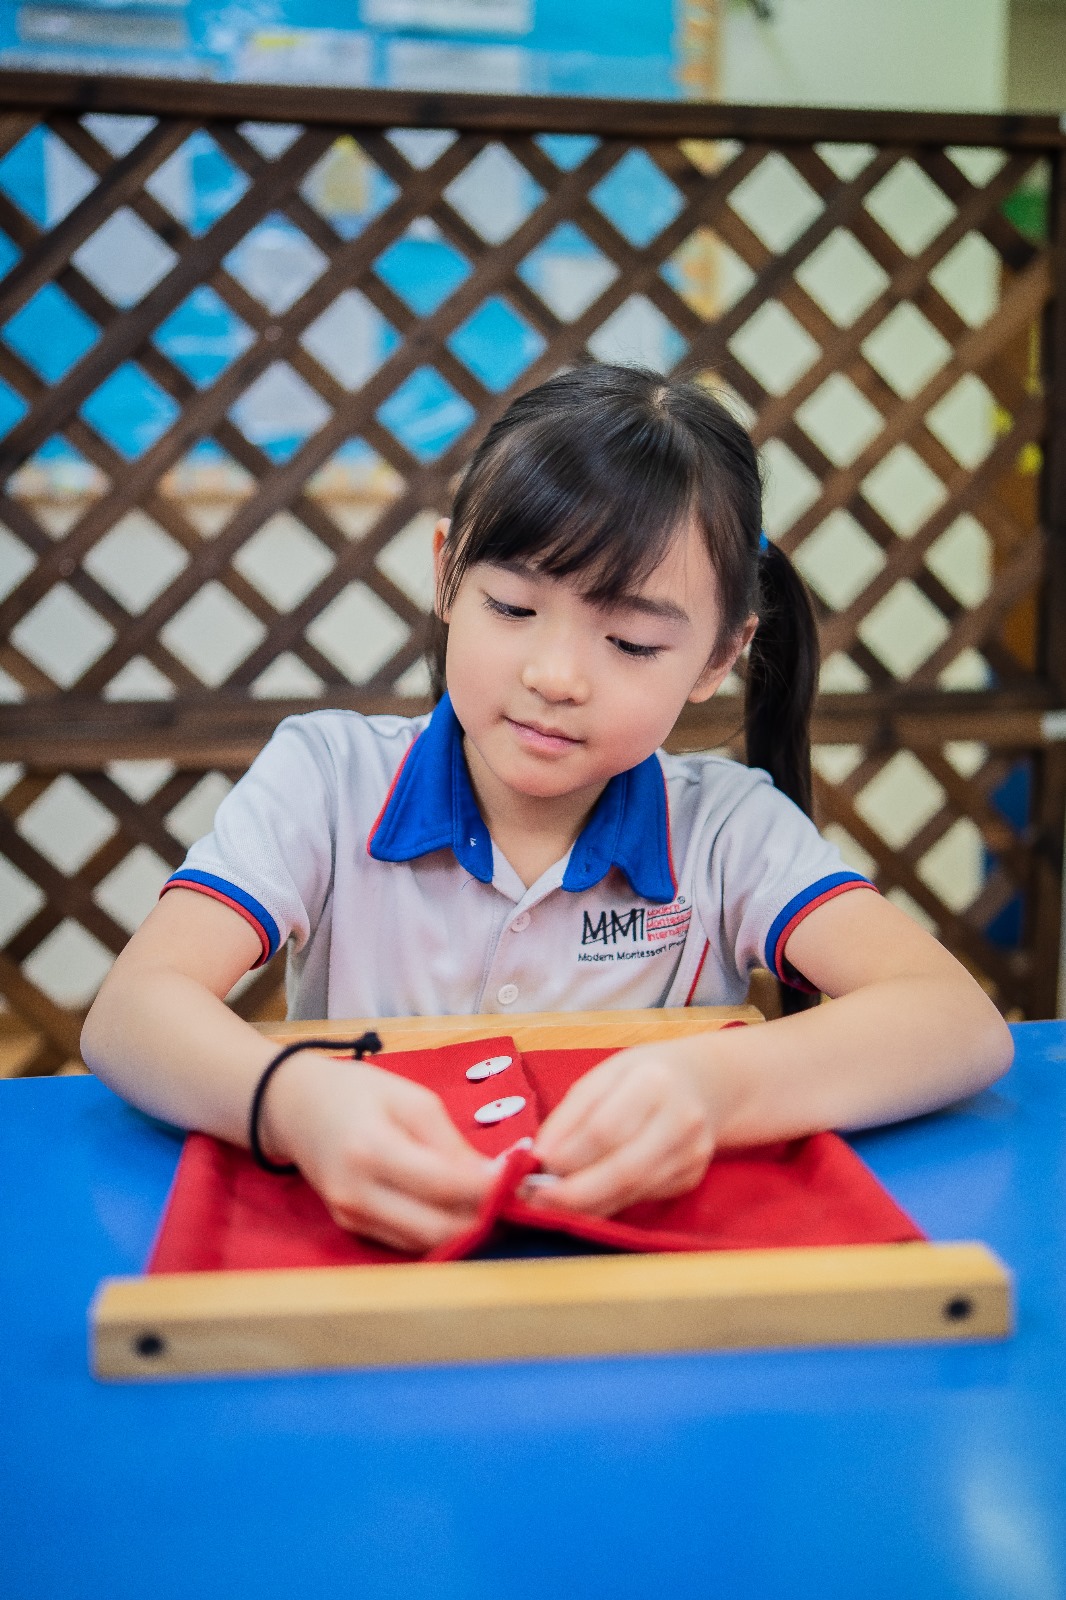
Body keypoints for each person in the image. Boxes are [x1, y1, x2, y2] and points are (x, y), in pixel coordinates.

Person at [81, 364, 1013, 1255]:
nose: (556, 676)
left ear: (720, 658)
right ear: (447, 574)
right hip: (370, 1265)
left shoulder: (728, 828)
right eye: (513, 609)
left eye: (632, 642)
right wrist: (294, 1104)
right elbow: (130, 1013)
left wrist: (714, 1086)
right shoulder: (326, 778)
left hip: (634, 1283)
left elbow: (956, 1023)